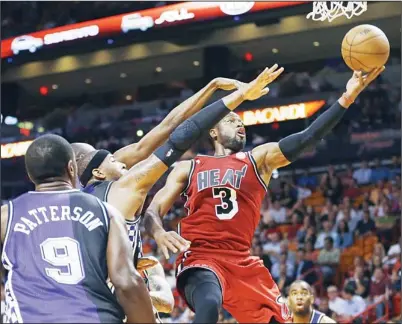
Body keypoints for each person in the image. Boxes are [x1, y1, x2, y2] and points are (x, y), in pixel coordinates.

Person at [144, 67, 385, 323]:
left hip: (242, 262)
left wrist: (346, 98)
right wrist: (158, 232)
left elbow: (307, 138)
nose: (239, 125)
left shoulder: (258, 159)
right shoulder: (188, 166)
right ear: (213, 132)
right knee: (209, 306)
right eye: (231, 121)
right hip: (200, 257)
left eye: (241, 122)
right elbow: (152, 210)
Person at [72, 68, 281, 312]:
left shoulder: (82, 198)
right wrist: (234, 95)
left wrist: (212, 86)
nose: (121, 159)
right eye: (111, 158)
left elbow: (167, 127)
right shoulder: (119, 188)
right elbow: (175, 136)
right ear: (95, 171)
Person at [0, 134, 156, 323]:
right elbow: (126, 282)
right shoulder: (106, 212)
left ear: (30, 175)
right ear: (72, 168)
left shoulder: (6, 216)